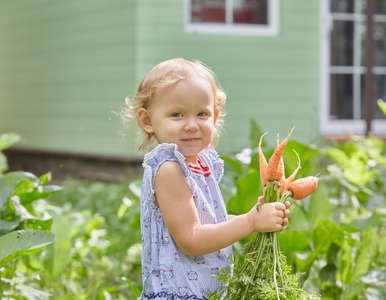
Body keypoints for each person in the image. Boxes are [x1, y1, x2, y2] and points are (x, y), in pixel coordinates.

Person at [121, 58, 290, 299]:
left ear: (214, 116)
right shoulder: (170, 169)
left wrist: (256, 216)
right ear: (148, 121)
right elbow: (191, 239)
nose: (191, 125)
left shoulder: (201, 163)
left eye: (202, 114)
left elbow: (209, 222)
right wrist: (250, 222)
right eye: (177, 115)